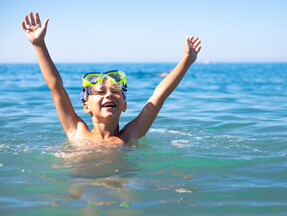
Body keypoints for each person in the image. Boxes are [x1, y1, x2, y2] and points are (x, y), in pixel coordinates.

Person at [22, 12, 201, 147]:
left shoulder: (130, 135)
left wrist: (186, 61)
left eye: (115, 92)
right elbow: (56, 87)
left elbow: (159, 96)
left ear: (124, 105)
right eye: (101, 92)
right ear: (86, 106)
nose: (109, 95)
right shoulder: (76, 131)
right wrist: (39, 45)